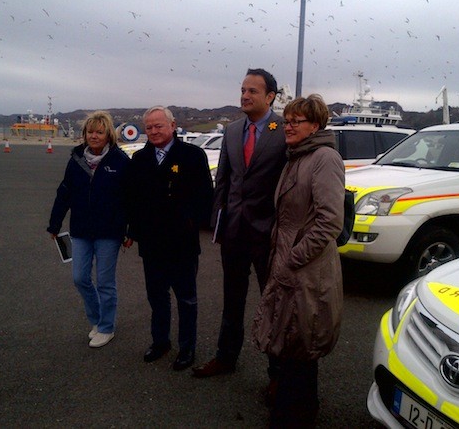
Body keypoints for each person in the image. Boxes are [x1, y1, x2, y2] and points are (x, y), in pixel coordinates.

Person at [252, 94, 345, 427]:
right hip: (290, 266)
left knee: (302, 343)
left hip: (309, 271)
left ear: (315, 126)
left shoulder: (324, 158)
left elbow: (329, 222)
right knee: (292, 343)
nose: (287, 126)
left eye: (295, 122)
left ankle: (296, 415)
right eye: (286, 120)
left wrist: (293, 258)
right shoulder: (296, 157)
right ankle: (294, 409)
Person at [193, 68, 287, 378]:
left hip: (266, 235)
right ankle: (225, 358)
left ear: (270, 97)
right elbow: (224, 180)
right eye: (243, 90)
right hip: (234, 231)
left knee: (272, 305)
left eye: (252, 91)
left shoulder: (283, 130)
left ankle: (277, 374)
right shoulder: (233, 131)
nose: (245, 96)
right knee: (232, 301)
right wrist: (219, 220)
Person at [128, 106, 213, 371]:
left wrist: (190, 222)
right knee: (157, 297)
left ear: (172, 125)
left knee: (186, 298)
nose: (153, 131)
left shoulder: (192, 156)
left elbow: (205, 197)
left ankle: (187, 347)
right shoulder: (140, 159)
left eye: (158, 126)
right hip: (152, 243)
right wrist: (134, 230)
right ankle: (160, 341)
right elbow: (133, 200)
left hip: (182, 243)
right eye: (149, 127)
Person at [47, 110, 131, 348]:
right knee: (80, 278)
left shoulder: (120, 162)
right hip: (81, 230)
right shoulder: (76, 161)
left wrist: (129, 230)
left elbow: (130, 199)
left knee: (105, 282)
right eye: (90, 131)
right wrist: (54, 224)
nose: (94, 136)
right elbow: (64, 194)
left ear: (108, 135)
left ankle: (107, 327)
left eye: (99, 132)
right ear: (84, 134)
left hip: (109, 233)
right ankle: (96, 320)